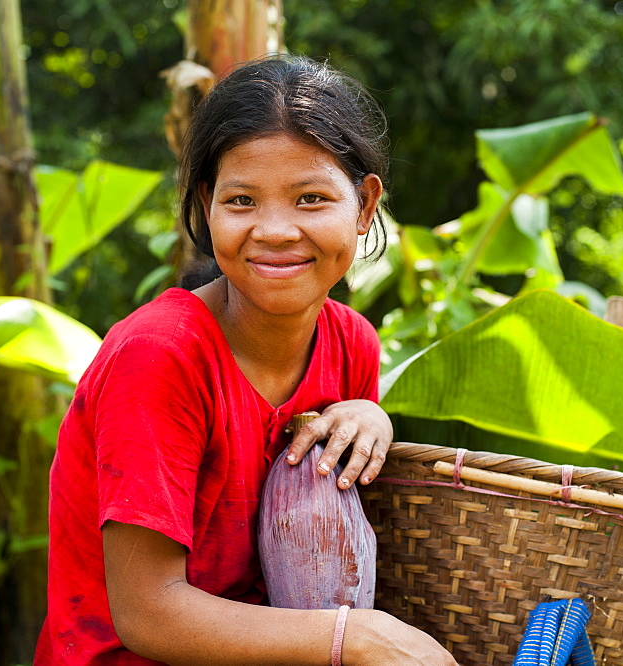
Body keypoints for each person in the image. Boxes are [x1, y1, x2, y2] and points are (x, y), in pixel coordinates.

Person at [34, 54, 458, 665]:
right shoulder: (159, 356)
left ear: (365, 207)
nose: (276, 230)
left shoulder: (351, 345)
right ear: (207, 204)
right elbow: (147, 612)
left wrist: (371, 414)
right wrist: (355, 639)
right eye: (242, 200)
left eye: (311, 198)